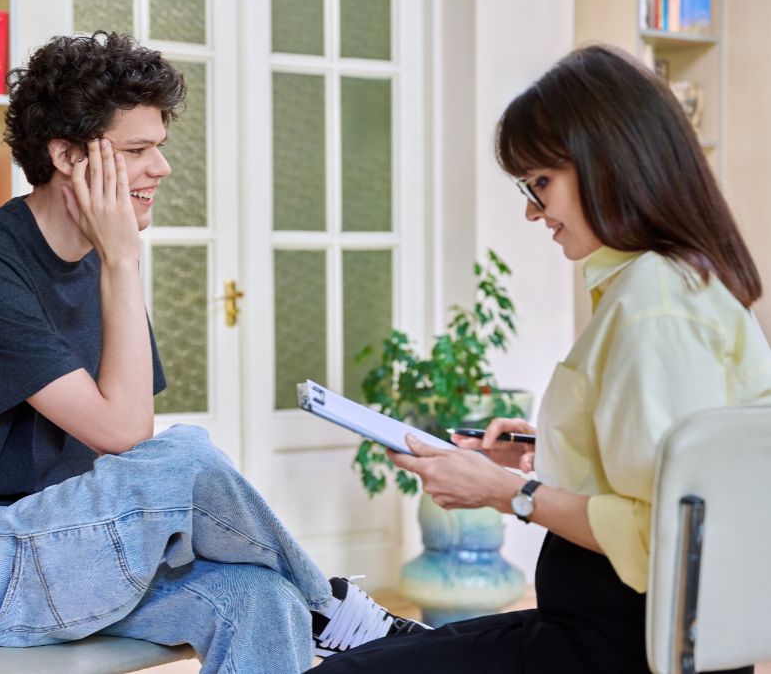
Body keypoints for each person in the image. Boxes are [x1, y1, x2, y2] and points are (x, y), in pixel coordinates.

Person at [0, 31, 426, 674]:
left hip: (63, 547)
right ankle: (329, 606)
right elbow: (124, 431)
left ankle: (307, 605)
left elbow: (131, 454)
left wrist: (116, 264)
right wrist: (123, 260)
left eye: (158, 148)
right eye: (137, 150)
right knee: (187, 457)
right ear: (66, 156)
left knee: (260, 599)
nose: (161, 169)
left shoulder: (98, 265)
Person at [310, 44, 771, 673]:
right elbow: (668, 470)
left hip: (615, 650)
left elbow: (657, 532)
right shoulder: (674, 285)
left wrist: (507, 492)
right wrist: (543, 453)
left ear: (606, 163)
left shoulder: (654, 304)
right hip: (608, 634)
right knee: (395, 650)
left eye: (541, 183)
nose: (532, 210)